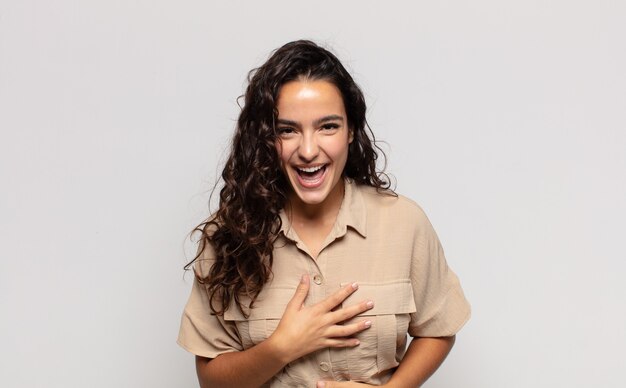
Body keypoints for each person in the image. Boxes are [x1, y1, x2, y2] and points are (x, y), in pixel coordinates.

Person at [177, 40, 471, 388]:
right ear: (266, 139)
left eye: (327, 126)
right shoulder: (227, 237)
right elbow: (212, 380)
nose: (308, 150)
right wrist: (281, 348)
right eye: (287, 130)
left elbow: (438, 330)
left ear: (351, 131)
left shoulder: (404, 223)